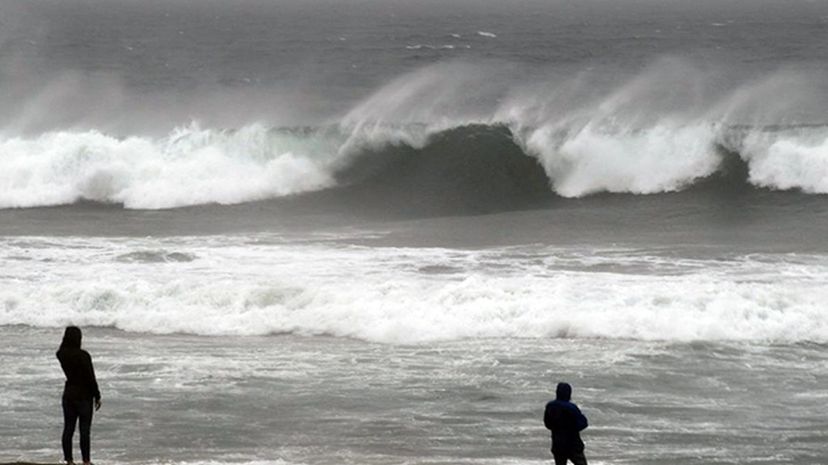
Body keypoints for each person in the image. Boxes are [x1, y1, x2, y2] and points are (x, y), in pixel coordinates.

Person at [56, 326, 102, 465]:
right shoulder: (83, 355)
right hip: (84, 395)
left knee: (68, 428)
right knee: (84, 430)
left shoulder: (61, 354)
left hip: (69, 393)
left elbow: (61, 350)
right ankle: (86, 461)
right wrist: (97, 395)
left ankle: (69, 460)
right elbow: (90, 377)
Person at [543, 382, 588, 465]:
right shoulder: (571, 407)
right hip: (573, 444)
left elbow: (547, 424)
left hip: (558, 444)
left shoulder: (550, 406)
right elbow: (583, 424)